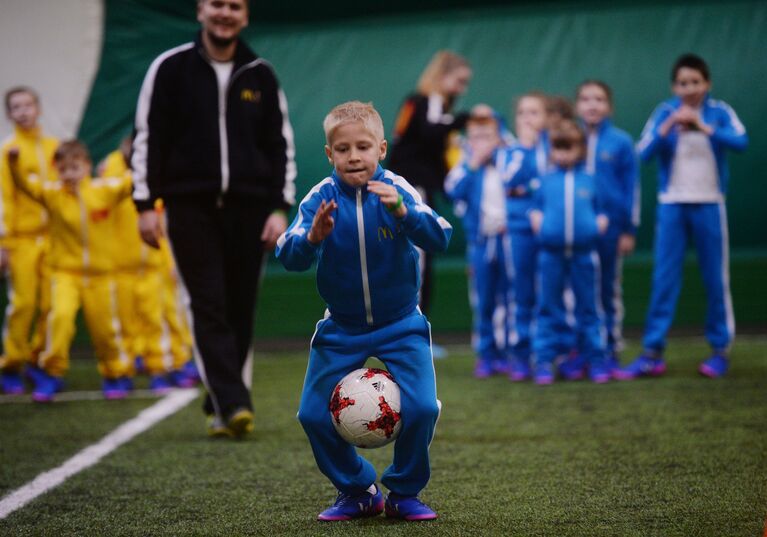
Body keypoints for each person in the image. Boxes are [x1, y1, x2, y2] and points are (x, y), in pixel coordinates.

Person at [276, 101, 451, 521]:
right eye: (343, 149)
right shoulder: (319, 199)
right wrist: (313, 238)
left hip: (401, 324)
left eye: (363, 147)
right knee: (313, 415)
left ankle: (405, 493)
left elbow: (440, 235)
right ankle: (358, 489)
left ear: (382, 148)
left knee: (424, 408)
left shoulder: (398, 190)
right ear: (329, 153)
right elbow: (288, 253)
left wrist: (404, 215)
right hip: (342, 327)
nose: (353, 156)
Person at [131, 0, 296, 437]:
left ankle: (219, 400)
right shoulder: (169, 68)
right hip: (189, 207)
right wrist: (145, 205)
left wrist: (281, 206)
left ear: (245, 15)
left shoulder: (261, 73)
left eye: (235, 6)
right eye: (217, 4)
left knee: (240, 307)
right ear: (201, 10)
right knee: (207, 303)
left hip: (251, 209)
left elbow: (281, 144)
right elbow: (149, 136)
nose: (226, 13)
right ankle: (235, 400)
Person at [618, 54, 748, 380]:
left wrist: (705, 128)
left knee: (715, 280)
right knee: (664, 279)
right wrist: (667, 128)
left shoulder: (720, 112)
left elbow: (741, 142)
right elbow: (643, 152)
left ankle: (720, 351)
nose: (689, 89)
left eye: (695, 82)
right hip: (672, 206)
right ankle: (652, 352)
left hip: (709, 205)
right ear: (674, 86)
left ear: (707, 84)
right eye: (682, 83)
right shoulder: (664, 112)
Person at [7, 141, 133, 402]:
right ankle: (51, 373)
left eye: (75, 168)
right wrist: (13, 163)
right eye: (63, 169)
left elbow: (129, 183)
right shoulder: (52, 194)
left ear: (87, 166)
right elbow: (25, 185)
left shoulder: (104, 190)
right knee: (60, 319)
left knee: (106, 330)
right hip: (64, 274)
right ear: (57, 171)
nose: (70, 174)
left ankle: (115, 373)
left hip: (101, 276)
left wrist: (139, 159)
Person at [388, 50, 472, 358]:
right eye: (459, 81)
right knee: (417, 260)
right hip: (411, 191)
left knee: (420, 261)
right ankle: (412, 336)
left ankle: (413, 334)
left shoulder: (432, 108)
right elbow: (428, 133)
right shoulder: (423, 103)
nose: (461, 89)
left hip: (418, 190)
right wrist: (461, 121)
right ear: (443, 75)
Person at [529, 120, 610, 385]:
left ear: (581, 149)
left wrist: (600, 224)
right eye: (558, 148)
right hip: (550, 254)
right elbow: (536, 208)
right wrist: (537, 221)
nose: (563, 154)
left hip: (584, 254)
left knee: (589, 307)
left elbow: (602, 210)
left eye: (569, 148)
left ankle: (595, 359)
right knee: (548, 306)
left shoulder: (590, 179)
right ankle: (544, 360)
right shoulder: (546, 180)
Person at [570, 80, 639, 376]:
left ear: (608, 106)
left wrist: (628, 229)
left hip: (611, 231)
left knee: (608, 290)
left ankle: (610, 348)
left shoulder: (621, 142)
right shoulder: (570, 139)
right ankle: (585, 351)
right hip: (577, 232)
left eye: (599, 99)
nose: (592, 105)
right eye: (585, 99)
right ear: (577, 106)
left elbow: (631, 189)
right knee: (578, 291)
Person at [444, 111, 512, 378]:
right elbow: (453, 191)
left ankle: (509, 353)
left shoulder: (508, 161)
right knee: (483, 301)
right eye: (476, 136)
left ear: (499, 137)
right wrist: (473, 164)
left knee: (509, 299)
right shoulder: (464, 166)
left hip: (508, 241)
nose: (482, 142)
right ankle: (486, 354)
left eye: (488, 136)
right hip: (480, 243)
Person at [0, 87, 58, 394]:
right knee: (23, 303)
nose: (23, 111)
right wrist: (4, 243)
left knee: (51, 304)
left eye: (27, 105)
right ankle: (11, 363)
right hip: (21, 241)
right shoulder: (7, 151)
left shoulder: (55, 148)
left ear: (38, 108)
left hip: (54, 241)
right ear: (9, 114)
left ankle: (40, 362)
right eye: (16, 107)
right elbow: (4, 200)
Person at [503, 92, 549, 381]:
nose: (527, 119)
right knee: (521, 294)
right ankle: (520, 355)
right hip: (518, 230)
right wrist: (525, 148)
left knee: (549, 293)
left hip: (549, 231)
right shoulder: (513, 151)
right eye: (522, 113)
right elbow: (508, 181)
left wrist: (528, 188)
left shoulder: (553, 150)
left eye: (534, 112)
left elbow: (548, 184)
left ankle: (545, 356)